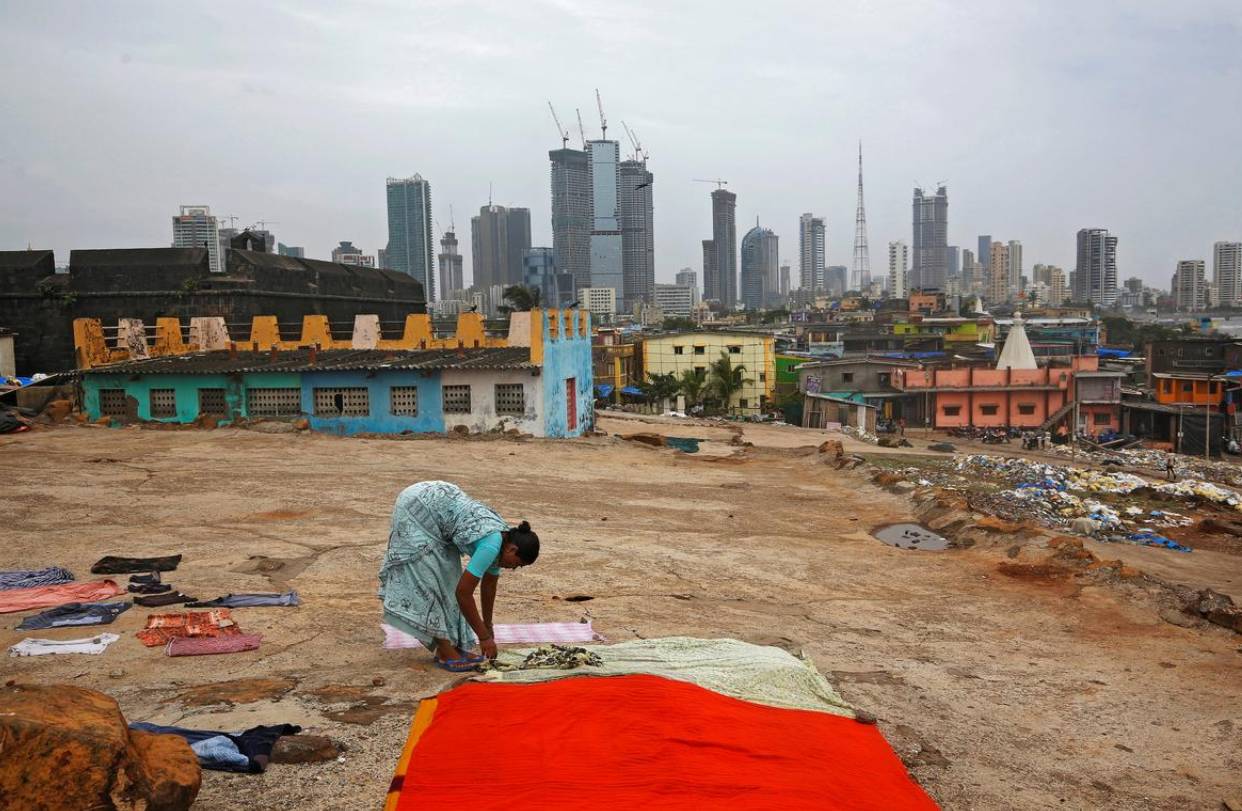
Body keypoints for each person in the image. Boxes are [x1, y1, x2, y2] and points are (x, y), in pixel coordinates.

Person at [379, 481, 540, 672]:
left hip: (439, 510)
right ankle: (445, 650)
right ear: (513, 549)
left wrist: (487, 626)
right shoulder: (491, 545)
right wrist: (484, 638)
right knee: (428, 582)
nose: (513, 568)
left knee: (448, 579)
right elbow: (463, 594)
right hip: (417, 508)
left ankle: (451, 647)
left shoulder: (502, 542)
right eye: (517, 564)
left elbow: (488, 587)